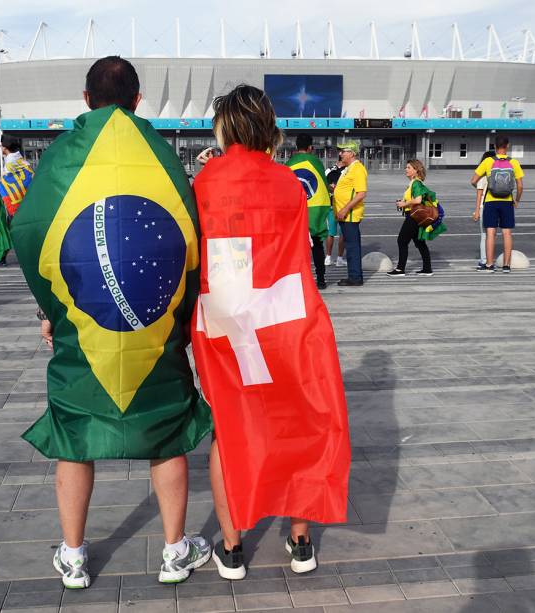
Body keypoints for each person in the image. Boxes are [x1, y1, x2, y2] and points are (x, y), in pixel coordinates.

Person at [9, 56, 212, 589]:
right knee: (166, 432)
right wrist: (180, 312)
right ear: (138, 99)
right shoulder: (162, 155)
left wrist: (52, 309)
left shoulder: (61, 157)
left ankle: (73, 556)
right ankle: (174, 552)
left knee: (75, 434)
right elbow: (190, 233)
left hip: (83, 326)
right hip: (156, 324)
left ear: (85, 98)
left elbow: (31, 229)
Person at [191, 84, 350, 581]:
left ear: (223, 127)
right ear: (269, 127)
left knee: (230, 427)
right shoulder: (288, 184)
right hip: (286, 320)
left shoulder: (203, 183)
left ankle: (233, 547)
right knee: (296, 423)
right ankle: (300, 540)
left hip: (225, 322)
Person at [470, 135, 524, 273]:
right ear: (507, 146)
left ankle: (489, 265)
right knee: (507, 233)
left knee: (490, 232)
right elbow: (520, 186)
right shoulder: (514, 163)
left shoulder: (488, 161)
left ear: (494, 146)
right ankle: (506, 266)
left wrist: (484, 183)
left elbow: (473, 180)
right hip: (507, 201)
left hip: (491, 200)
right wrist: (516, 200)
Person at [286, 133, 330, 289]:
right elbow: (323, 185)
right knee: (317, 246)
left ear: (296, 147)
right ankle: (321, 279)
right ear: (310, 147)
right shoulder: (316, 162)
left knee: (297, 248)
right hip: (314, 211)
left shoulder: (289, 163)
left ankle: (298, 279)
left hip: (296, 211)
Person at [386, 159, 437, 277]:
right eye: (406, 167)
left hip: (414, 216)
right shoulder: (414, 183)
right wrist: (403, 202)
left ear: (416, 170)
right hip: (416, 216)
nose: (406, 169)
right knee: (419, 242)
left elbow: (418, 200)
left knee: (402, 241)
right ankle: (427, 269)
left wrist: (404, 204)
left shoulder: (416, 183)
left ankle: (400, 269)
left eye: (409, 167)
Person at [332, 141, 367, 286]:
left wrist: (345, 209)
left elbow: (361, 193)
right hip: (344, 214)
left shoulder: (357, 169)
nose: (340, 153)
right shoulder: (348, 168)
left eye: (343, 151)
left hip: (350, 214)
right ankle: (354, 275)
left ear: (352, 153)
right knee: (350, 245)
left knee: (352, 246)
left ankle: (355, 277)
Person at [0, 136, 34, 217]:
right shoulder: (17, 156)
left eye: (1, 146)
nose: (0, 147)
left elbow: (7, 180)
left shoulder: (10, 161)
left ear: (5, 148)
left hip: (18, 197)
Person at [471, 150, 494, 270]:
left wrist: (476, 211)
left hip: (484, 207)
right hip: (496, 206)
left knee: (484, 235)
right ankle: (490, 259)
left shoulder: (483, 176)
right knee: (492, 234)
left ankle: (484, 260)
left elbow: (479, 195)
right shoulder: (495, 175)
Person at [325, 161, 346, 266]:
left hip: (333, 205)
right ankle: (338, 258)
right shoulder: (347, 171)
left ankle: (330, 258)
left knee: (331, 232)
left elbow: (324, 184)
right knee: (341, 233)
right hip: (340, 205)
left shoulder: (328, 170)